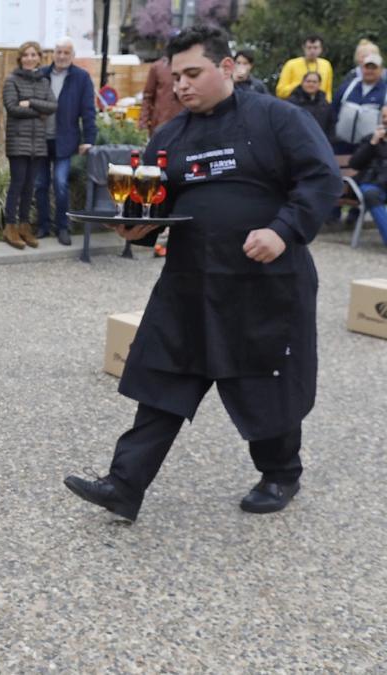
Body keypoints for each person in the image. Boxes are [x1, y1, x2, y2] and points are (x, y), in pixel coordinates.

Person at [63, 26, 342, 521]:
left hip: (266, 281)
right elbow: (155, 207)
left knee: (264, 379)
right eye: (176, 78)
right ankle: (124, 486)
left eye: (193, 73)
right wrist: (135, 232)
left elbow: (321, 178)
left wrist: (283, 229)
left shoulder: (279, 119)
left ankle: (281, 473)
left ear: (228, 67)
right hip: (190, 282)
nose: (182, 87)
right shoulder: (170, 136)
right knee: (163, 379)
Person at [35, 37, 97, 246]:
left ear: (72, 55)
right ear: (53, 53)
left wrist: (89, 140)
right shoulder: (40, 74)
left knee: (60, 183)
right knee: (40, 184)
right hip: (40, 140)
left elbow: (89, 112)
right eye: (58, 52)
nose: (62, 56)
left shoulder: (81, 78)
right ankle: (43, 225)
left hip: (65, 141)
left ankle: (63, 226)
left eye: (66, 53)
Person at [2, 41, 57, 250]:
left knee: (29, 187)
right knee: (17, 185)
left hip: (37, 142)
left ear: (39, 58)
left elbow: (52, 106)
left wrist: (31, 102)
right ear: (20, 58)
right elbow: (12, 108)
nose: (30, 58)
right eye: (26, 55)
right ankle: (10, 226)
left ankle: (24, 225)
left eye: (34, 55)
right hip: (18, 141)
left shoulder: (43, 82)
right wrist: (38, 111)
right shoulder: (11, 81)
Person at [347, 106, 387, 245]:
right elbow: (354, 164)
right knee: (371, 195)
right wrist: (373, 143)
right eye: (384, 117)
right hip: (371, 184)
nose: (386, 120)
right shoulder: (370, 139)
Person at [330, 52, 385, 153]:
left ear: (381, 70)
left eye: (374, 68)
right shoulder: (347, 87)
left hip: (370, 148)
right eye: (367, 67)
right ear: (361, 68)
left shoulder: (385, 92)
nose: (369, 71)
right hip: (340, 144)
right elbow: (333, 110)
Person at [275, 34, 334, 101]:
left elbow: (328, 92)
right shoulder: (291, 64)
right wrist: (301, 85)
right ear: (304, 48)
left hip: (319, 106)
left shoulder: (326, 65)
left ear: (321, 49)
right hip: (296, 104)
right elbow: (280, 92)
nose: (312, 51)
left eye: (315, 48)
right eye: (309, 47)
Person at [139, 56, 183, 135]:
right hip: (160, 126)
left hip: (183, 127)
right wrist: (143, 125)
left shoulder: (188, 67)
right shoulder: (157, 67)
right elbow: (147, 97)